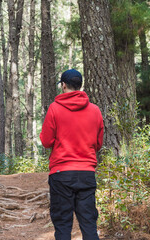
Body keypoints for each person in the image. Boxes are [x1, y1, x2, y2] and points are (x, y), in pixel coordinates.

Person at [40, 69, 104, 240]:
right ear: (80, 85)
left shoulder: (54, 109)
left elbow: (46, 141)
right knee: (89, 223)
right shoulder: (95, 110)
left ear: (63, 85)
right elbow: (98, 143)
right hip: (86, 173)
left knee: (62, 225)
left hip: (61, 174)